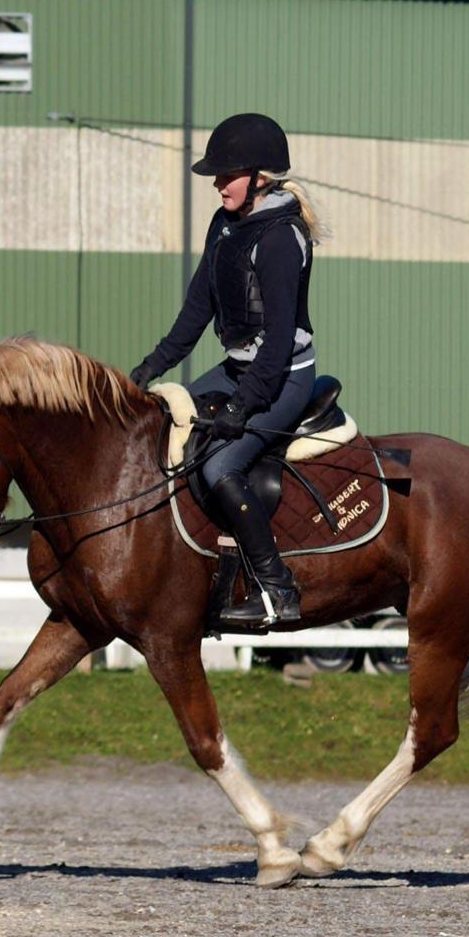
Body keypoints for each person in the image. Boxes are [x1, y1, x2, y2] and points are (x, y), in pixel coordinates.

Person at [129, 113, 327, 627]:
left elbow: (278, 342)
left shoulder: (282, 238)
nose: (217, 186)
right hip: (237, 368)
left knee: (220, 466)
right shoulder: (225, 224)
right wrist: (150, 368)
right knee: (164, 430)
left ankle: (277, 589)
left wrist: (243, 406)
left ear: (260, 177)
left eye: (226, 176)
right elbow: (198, 307)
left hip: (282, 375)